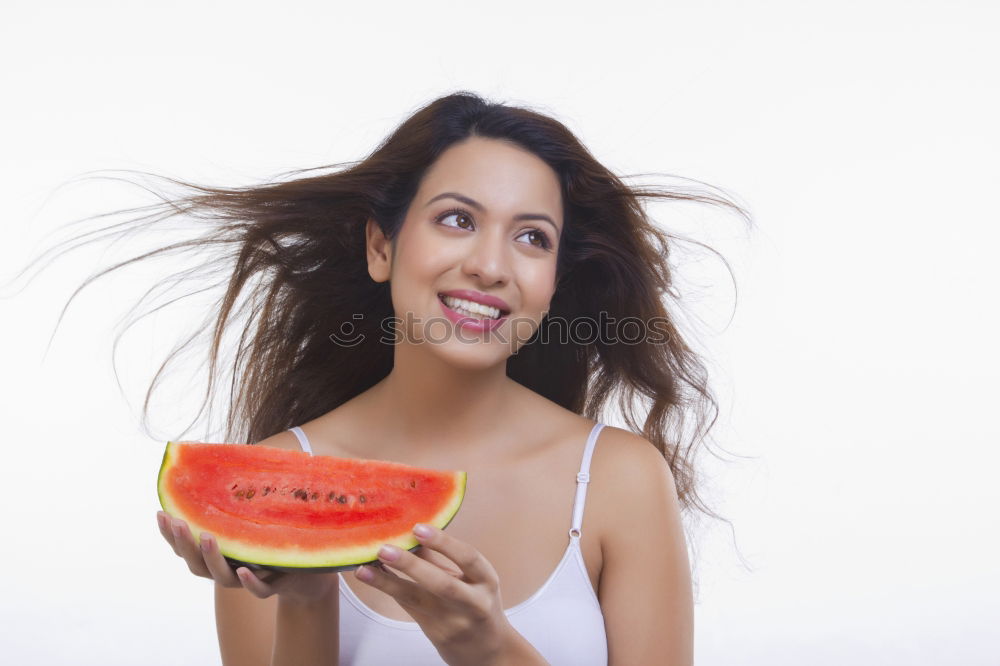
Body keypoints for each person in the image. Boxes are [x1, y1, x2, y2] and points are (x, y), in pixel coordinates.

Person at [26, 91, 745, 665]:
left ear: (553, 283)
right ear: (381, 246)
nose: (491, 265)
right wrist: (308, 595)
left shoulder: (619, 478)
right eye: (458, 219)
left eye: (532, 237)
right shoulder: (274, 478)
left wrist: (484, 647)